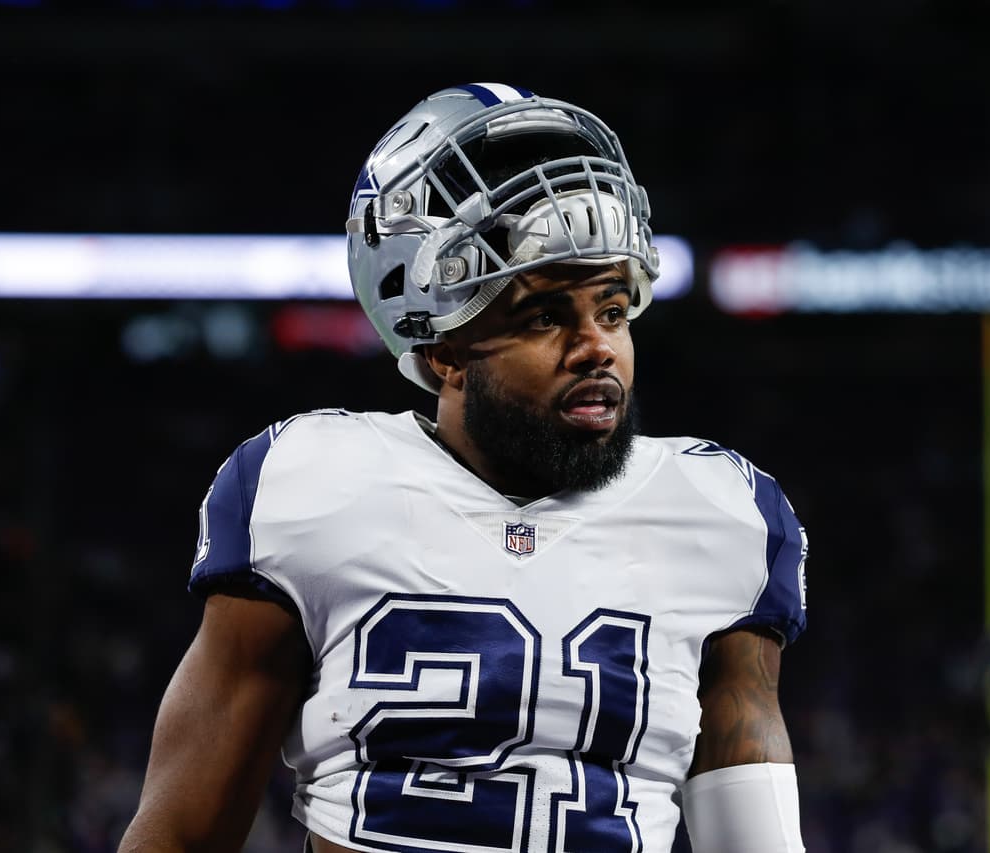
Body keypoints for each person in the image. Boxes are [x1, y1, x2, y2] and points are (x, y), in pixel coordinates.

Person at [118, 83, 809, 853]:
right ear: (443, 349)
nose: (597, 348)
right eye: (545, 316)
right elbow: (178, 834)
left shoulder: (720, 511)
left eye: (613, 311)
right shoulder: (308, 487)